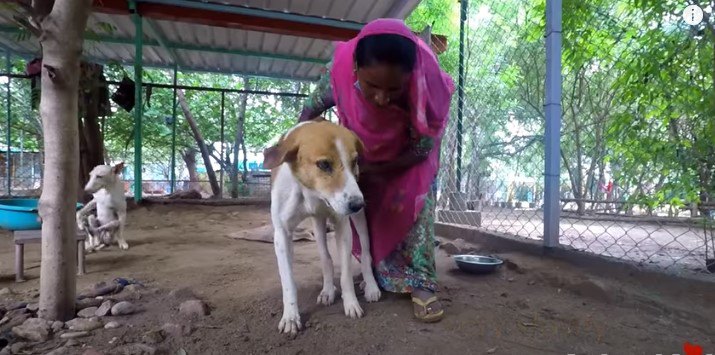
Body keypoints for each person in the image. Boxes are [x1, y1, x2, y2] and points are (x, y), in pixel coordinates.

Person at [298, 18, 455, 323]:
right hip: (361, 154)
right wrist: (304, 142)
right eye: (371, 87)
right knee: (364, 210)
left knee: (413, 204)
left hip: (409, 157)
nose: (382, 98)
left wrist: (378, 170)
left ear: (410, 77)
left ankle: (421, 282)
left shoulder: (426, 81)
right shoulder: (340, 68)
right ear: (355, 68)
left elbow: (423, 148)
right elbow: (308, 110)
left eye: (394, 89)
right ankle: (377, 273)